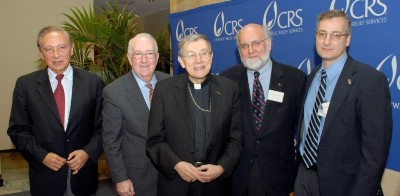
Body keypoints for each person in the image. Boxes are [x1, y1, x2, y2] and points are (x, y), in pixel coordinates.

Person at [294, 10, 392, 196]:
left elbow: (375, 153)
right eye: (322, 34)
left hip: (343, 185)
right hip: (303, 178)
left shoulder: (370, 81)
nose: (327, 41)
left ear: (347, 39)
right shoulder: (311, 77)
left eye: (335, 35)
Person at [7, 26, 104, 196]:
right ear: (40, 53)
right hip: (45, 178)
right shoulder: (25, 85)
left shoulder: (93, 83)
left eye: (62, 47)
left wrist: (87, 152)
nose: (56, 55)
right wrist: (42, 156)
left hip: (83, 175)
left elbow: (104, 127)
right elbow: (18, 130)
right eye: (49, 49)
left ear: (71, 48)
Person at [146, 34, 243, 196]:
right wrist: (176, 164)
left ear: (211, 57)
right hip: (176, 184)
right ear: (181, 61)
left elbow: (236, 140)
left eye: (204, 53)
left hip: (216, 185)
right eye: (191, 55)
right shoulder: (164, 91)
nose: (199, 60)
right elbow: (154, 141)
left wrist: (221, 167)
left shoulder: (229, 89)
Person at [220, 23, 307, 196]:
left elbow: (303, 131)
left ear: (269, 43)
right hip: (237, 177)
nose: (250, 50)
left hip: (280, 178)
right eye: (244, 46)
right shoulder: (227, 80)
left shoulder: (295, 79)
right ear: (239, 50)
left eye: (256, 43)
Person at [102, 33, 170, 196]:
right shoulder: (114, 92)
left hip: (171, 174)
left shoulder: (170, 82)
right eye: (138, 54)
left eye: (149, 53)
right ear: (130, 58)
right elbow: (111, 141)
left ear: (157, 56)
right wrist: (120, 178)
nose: (144, 60)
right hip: (137, 179)